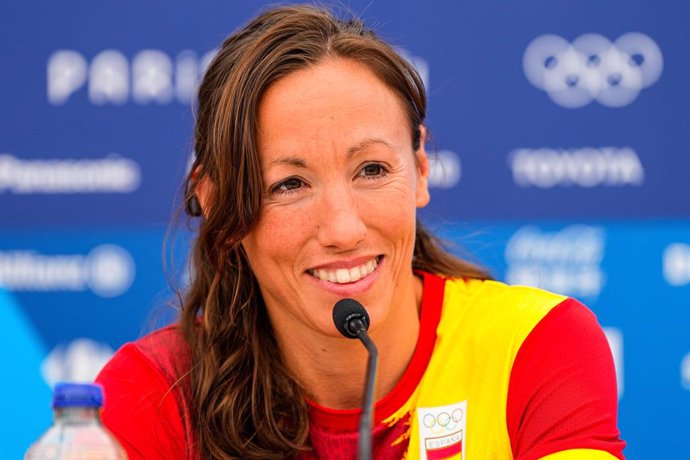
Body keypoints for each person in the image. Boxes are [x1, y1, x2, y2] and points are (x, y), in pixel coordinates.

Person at [95, 4, 625, 459]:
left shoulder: (533, 347)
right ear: (216, 204)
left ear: (419, 170)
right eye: (289, 184)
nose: (344, 229)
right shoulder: (152, 393)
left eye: (371, 170)